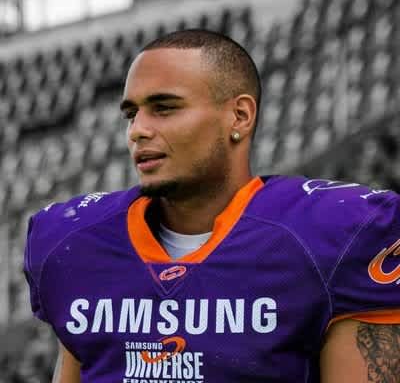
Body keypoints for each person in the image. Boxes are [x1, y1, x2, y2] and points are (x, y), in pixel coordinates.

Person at [24, 29, 400, 383]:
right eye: (131, 114)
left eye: (164, 108)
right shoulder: (75, 241)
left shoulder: (332, 235)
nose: (137, 130)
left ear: (240, 116)